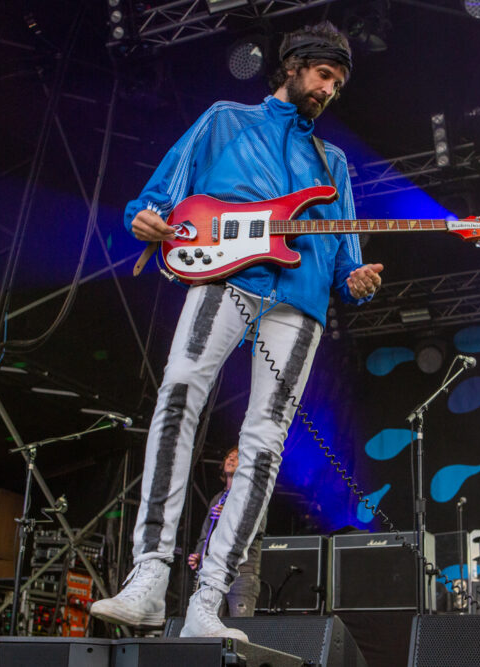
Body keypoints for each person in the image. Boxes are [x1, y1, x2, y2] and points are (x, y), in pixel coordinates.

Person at [90, 21, 383, 641]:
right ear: (295, 66)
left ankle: (209, 599)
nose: (330, 89)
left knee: (266, 441)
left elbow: (348, 259)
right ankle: (149, 575)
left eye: (339, 82)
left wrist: (355, 280)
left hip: (298, 303)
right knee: (178, 396)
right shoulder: (224, 119)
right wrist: (144, 216)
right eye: (324, 75)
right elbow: (159, 194)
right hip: (223, 277)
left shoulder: (334, 165)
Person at [187, 446, 264, 617]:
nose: (230, 459)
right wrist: (199, 555)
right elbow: (205, 533)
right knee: (209, 626)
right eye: (229, 456)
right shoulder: (217, 498)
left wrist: (229, 515)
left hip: (242, 574)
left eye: (236, 457)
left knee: (240, 628)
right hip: (216, 573)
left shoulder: (252, 495)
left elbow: (256, 530)